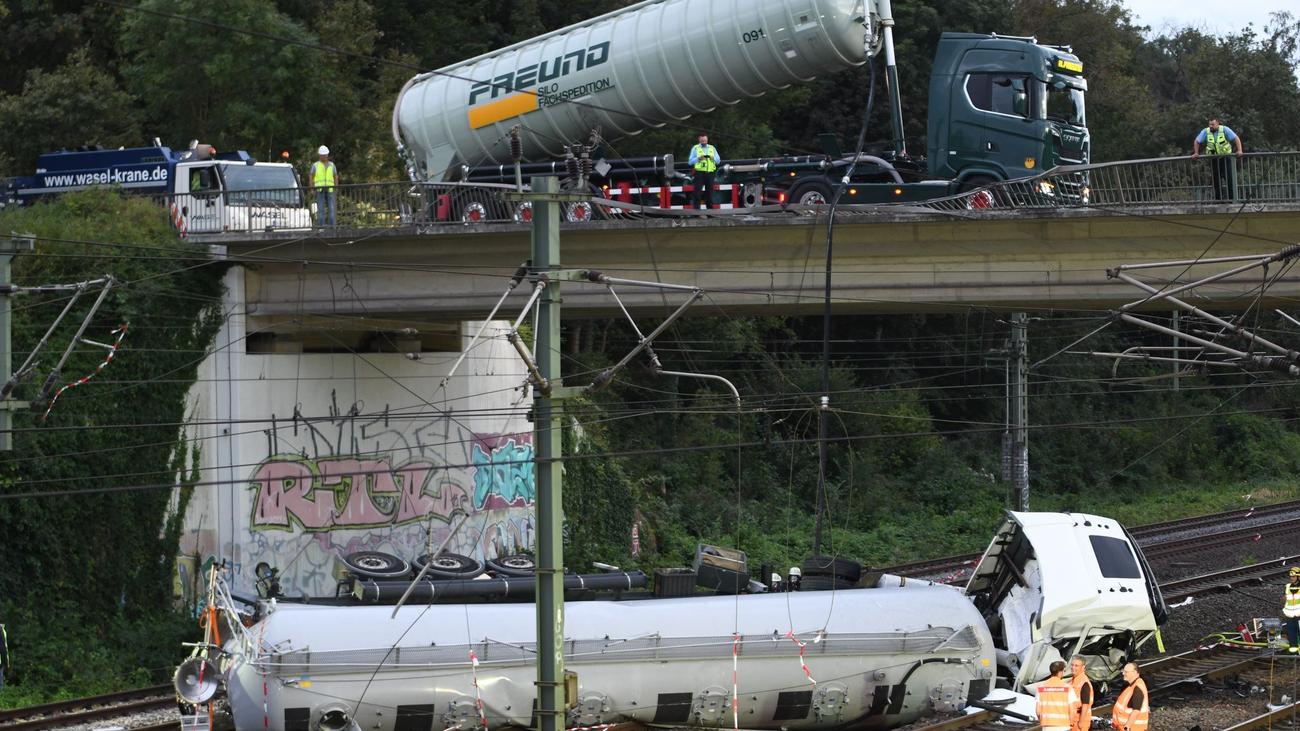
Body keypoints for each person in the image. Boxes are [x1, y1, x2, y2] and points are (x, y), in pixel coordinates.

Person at [1191, 118, 1243, 201]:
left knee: (1229, 179)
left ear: (1218, 123)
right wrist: (1196, 153)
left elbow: (1236, 138)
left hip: (1226, 158)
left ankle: (1232, 199)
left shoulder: (1225, 129)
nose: (1211, 126)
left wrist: (1239, 150)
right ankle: (1219, 200)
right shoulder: (1206, 131)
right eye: (1210, 124)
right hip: (1214, 159)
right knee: (1216, 181)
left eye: (1213, 124)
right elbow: (1197, 141)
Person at [1035, 660, 1079, 731]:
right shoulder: (1067, 688)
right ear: (1060, 672)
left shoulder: (1040, 688)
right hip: (1063, 726)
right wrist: (1071, 723)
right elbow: (1072, 709)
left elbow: (1038, 711)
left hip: (1047, 726)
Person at [1111, 662, 1149, 731]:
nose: (1123, 673)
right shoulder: (1132, 685)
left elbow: (1136, 711)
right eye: (1123, 671)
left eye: (1126, 672)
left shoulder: (1137, 688)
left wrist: (1127, 727)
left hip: (1133, 728)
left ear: (1134, 672)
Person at [688, 133, 719, 210]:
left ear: (707, 139)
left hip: (710, 173)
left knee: (709, 193)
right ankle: (696, 212)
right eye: (702, 141)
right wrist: (698, 159)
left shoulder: (712, 148)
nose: (704, 142)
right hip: (699, 173)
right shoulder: (695, 148)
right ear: (699, 140)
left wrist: (713, 159)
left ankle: (710, 212)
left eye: (705, 141)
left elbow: (718, 161)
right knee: (697, 193)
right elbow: (690, 162)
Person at [310, 145, 339, 227]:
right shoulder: (315, 165)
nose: (324, 157)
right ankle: (321, 226)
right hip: (320, 190)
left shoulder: (332, 165)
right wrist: (312, 189)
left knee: (331, 209)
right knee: (321, 209)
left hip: (330, 189)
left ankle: (332, 226)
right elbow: (311, 176)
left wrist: (336, 187)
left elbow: (335, 176)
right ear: (320, 155)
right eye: (323, 155)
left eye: (325, 155)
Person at [1069, 655, 1094, 731]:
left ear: (1083, 668)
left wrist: (1081, 723)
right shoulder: (1072, 681)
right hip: (1073, 720)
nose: (1073, 667)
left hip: (1079, 722)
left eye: (1076, 666)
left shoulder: (1084, 683)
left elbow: (1085, 704)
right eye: (1072, 665)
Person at [1284, 566, 1300, 653]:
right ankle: (1294, 655)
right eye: (1291, 576)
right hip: (1290, 616)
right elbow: (1286, 599)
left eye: (1293, 576)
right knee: (1291, 635)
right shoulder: (1287, 587)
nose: (1291, 578)